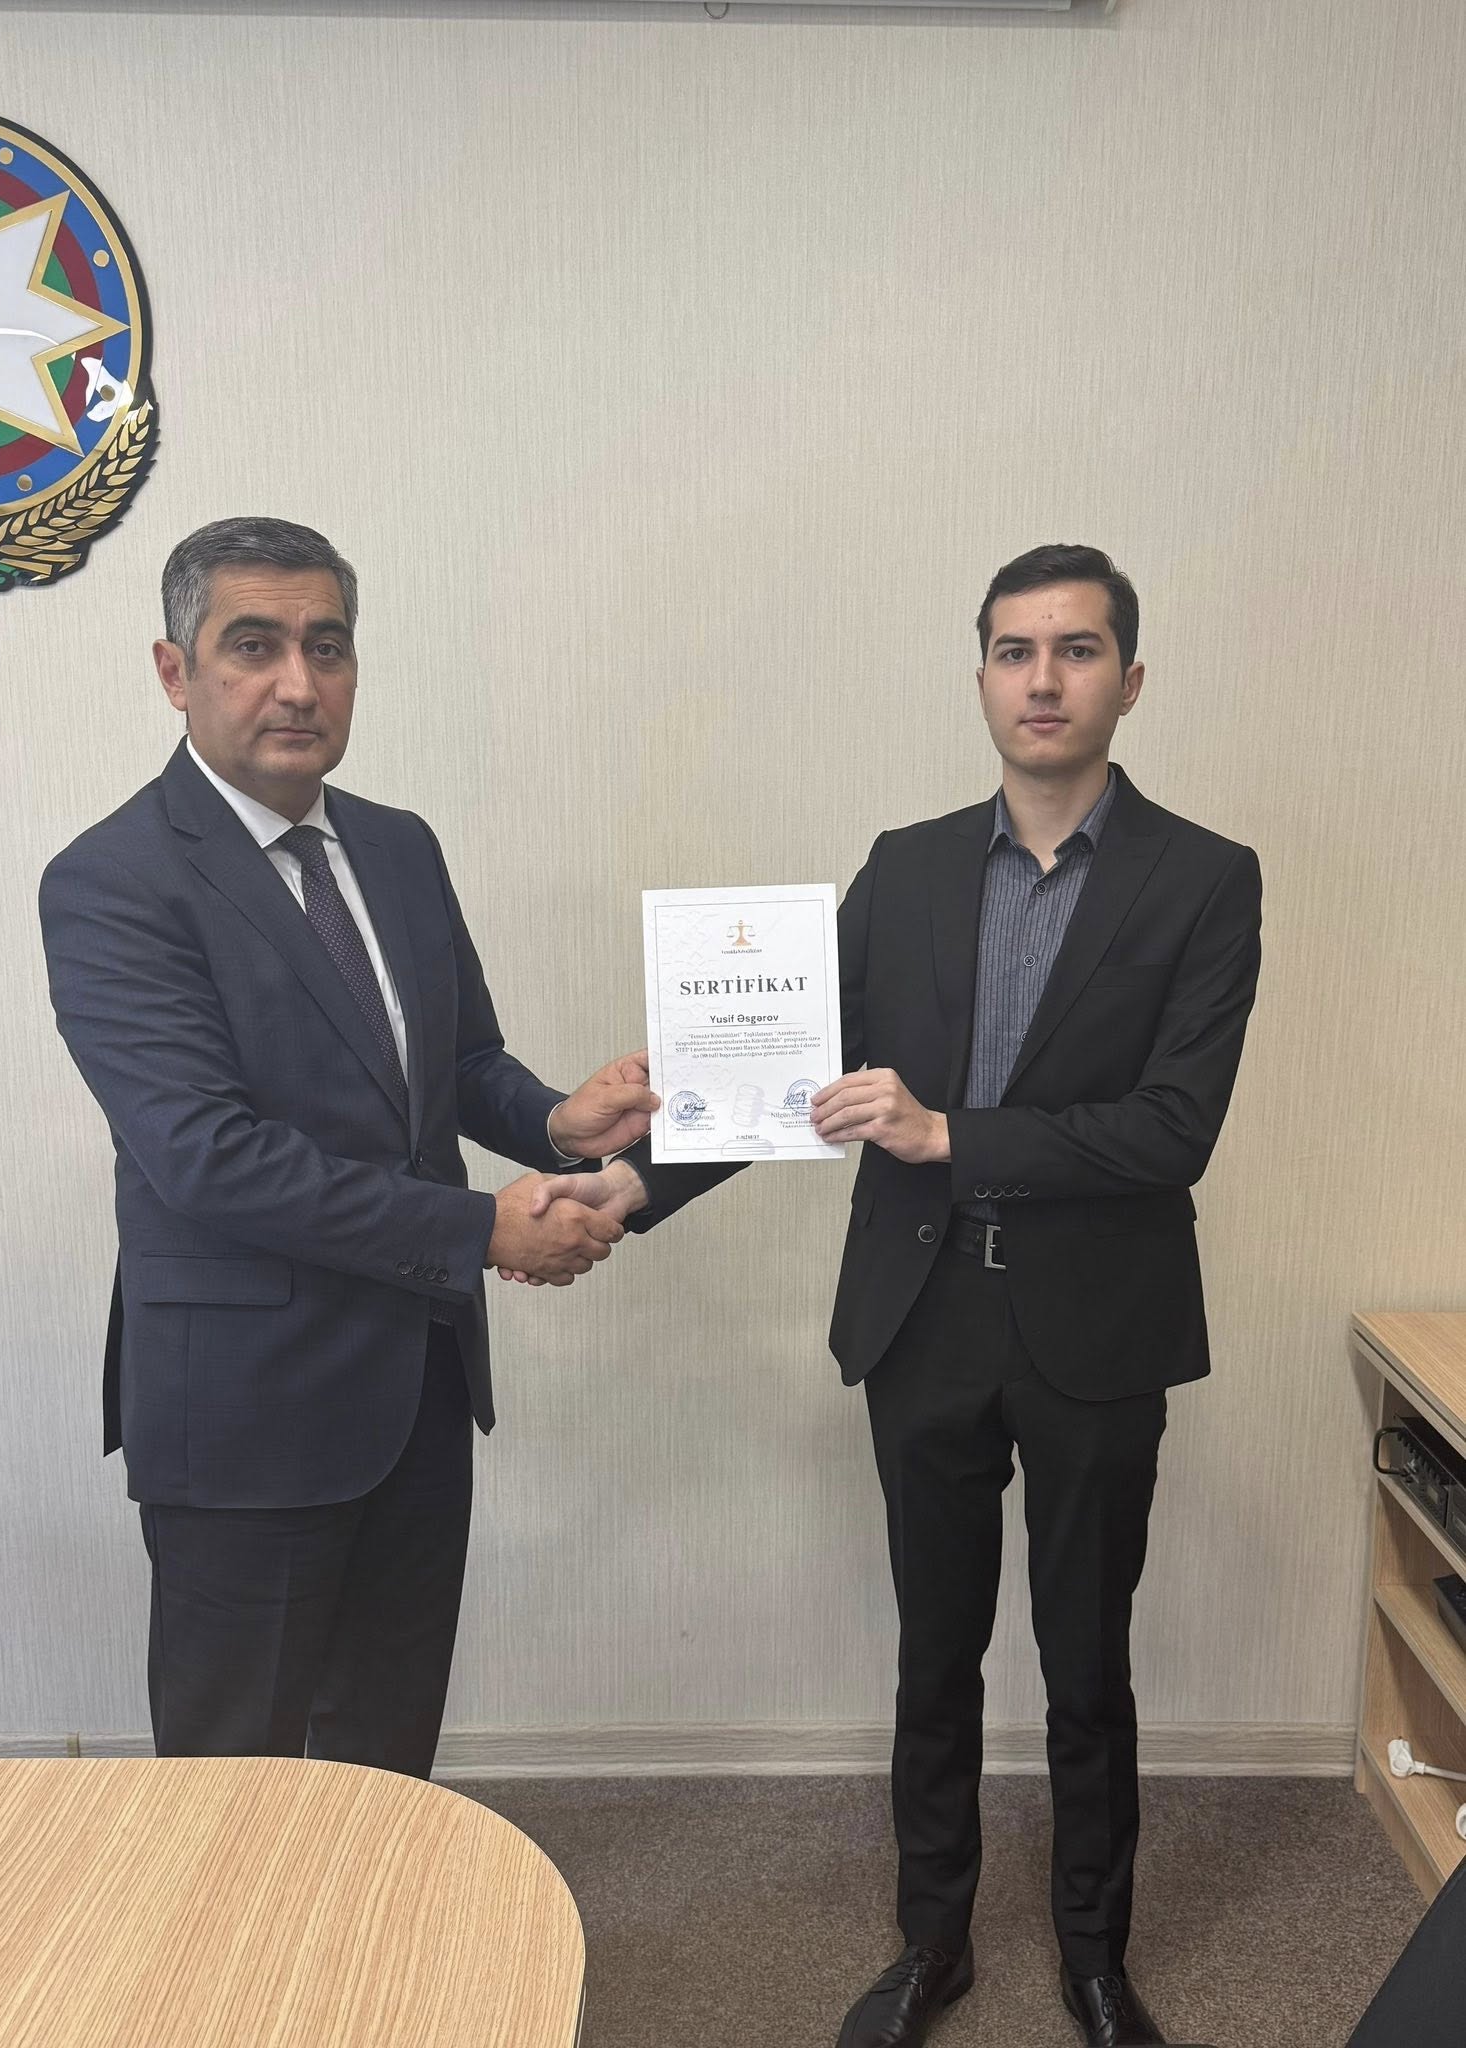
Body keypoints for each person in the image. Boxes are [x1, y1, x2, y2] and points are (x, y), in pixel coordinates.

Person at [528, 544, 1262, 2047]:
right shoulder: (906, 865)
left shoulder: (1204, 877)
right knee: (935, 1651)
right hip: (921, 1314)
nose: (1042, 679)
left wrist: (949, 1134)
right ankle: (932, 1942)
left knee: (1085, 1661)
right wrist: (629, 1186)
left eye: (1074, 650)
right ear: (979, 675)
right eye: (1013, 650)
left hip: (1096, 1326)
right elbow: (778, 1077)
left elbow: (1170, 1129)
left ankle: (1094, 1957)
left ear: (1128, 680)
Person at [39, 516, 653, 1778]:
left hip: (415, 1385)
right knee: (236, 1789)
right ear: (175, 671)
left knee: (385, 1766)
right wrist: (483, 1228)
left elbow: (456, 1061)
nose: (297, 682)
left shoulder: (397, 845)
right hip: (243, 1409)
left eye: (326, 646)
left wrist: (554, 1119)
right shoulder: (112, 879)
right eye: (252, 645)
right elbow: (207, 1154)